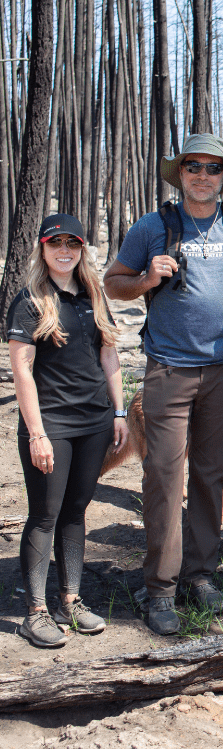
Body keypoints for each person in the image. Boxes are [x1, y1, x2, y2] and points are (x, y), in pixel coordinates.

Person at [104, 134, 223, 635]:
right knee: (163, 478)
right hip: (168, 369)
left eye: (212, 168)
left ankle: (200, 574)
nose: (202, 175)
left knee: (210, 475)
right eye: (192, 166)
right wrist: (146, 279)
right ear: (180, 174)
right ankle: (160, 588)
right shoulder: (154, 227)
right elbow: (113, 282)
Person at [7, 215, 128, 648]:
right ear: (42, 249)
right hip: (51, 423)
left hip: (95, 421)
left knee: (76, 510)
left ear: (81, 250)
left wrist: (119, 412)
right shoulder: (30, 301)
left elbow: (109, 358)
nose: (64, 251)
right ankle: (35, 612)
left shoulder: (93, 296)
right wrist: (36, 433)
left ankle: (70, 600)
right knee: (45, 513)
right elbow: (21, 372)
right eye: (55, 243)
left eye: (72, 244)